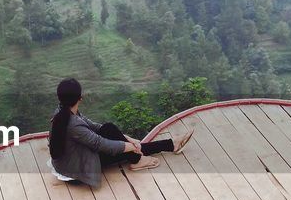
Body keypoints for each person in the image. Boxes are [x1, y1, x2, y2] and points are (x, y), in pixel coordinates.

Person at [47, 78, 193, 187]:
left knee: (109, 128)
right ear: (80, 98)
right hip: (75, 171)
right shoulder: (73, 124)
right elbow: (100, 144)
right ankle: (144, 157)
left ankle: (169, 145)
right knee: (122, 147)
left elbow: (96, 127)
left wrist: (127, 139)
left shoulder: (64, 111)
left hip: (72, 159)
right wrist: (131, 146)